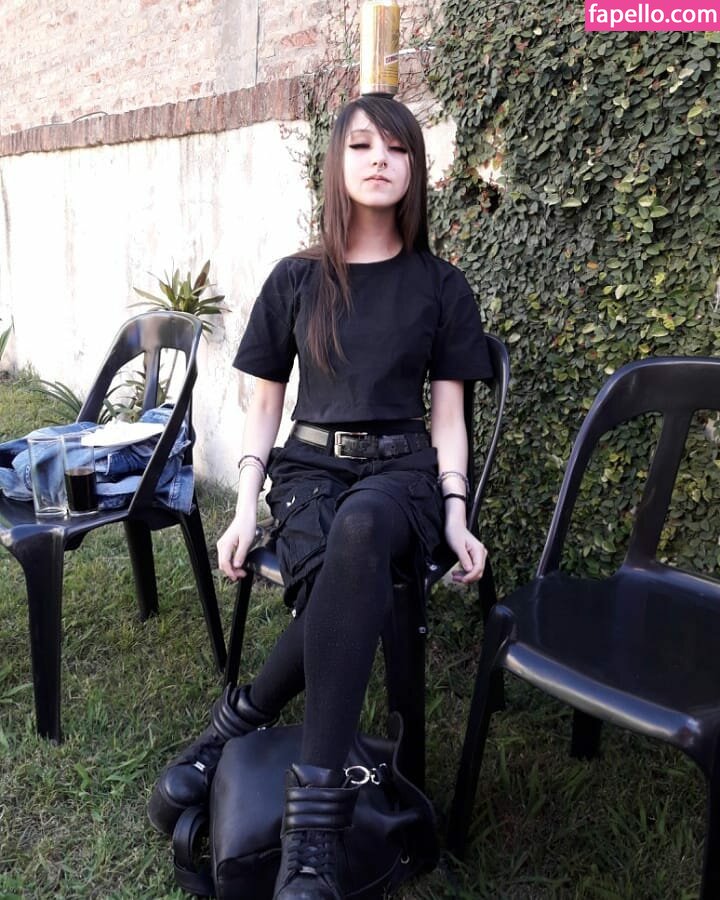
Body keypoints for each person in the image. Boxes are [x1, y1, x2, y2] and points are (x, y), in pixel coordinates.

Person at [148, 94, 493, 900]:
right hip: (307, 472)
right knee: (347, 562)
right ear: (336, 163)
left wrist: (455, 513)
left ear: (415, 169)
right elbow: (264, 402)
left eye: (397, 149)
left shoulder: (442, 285)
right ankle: (242, 730)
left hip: (402, 474)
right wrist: (244, 508)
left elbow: (448, 417)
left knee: (363, 530)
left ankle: (304, 827)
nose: (380, 160)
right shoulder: (297, 278)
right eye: (362, 145)